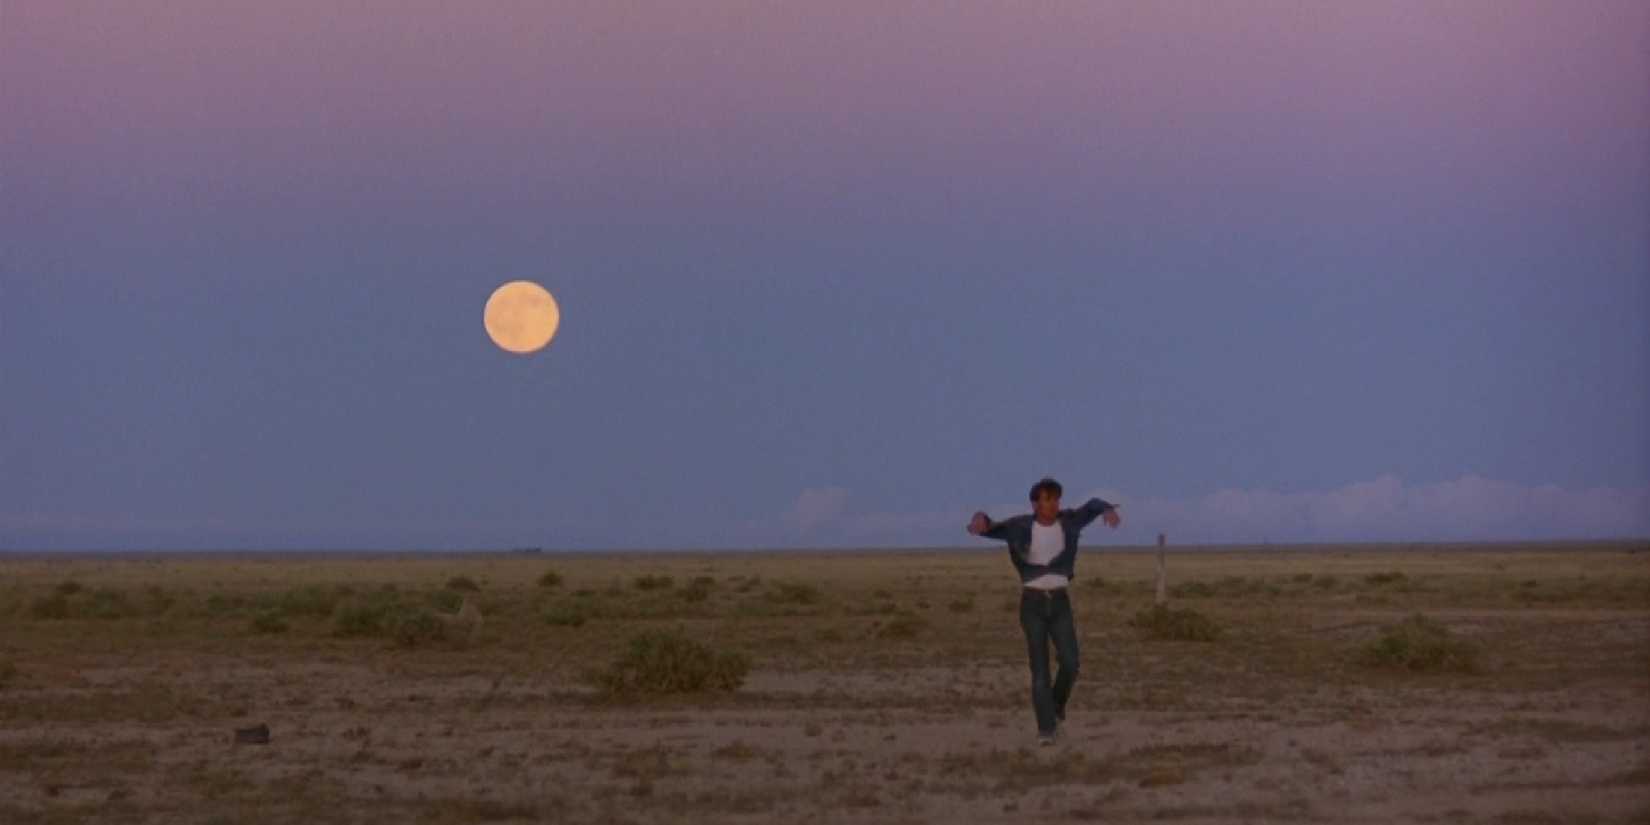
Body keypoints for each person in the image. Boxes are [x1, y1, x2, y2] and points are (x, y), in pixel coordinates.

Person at [968, 477, 1120, 745]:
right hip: (1033, 604)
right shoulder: (1019, 527)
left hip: (1060, 602)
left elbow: (1093, 505)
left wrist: (1107, 509)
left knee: (1071, 663)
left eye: (1056, 499)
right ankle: (1046, 731)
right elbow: (990, 526)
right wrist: (980, 519)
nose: (1052, 504)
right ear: (1035, 504)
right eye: (1047, 499)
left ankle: (1056, 708)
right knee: (1040, 670)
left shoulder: (1069, 522)